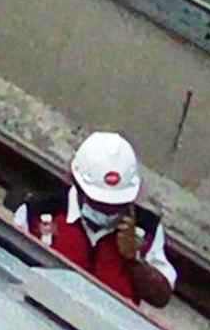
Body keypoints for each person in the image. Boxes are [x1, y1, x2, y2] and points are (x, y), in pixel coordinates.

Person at [21, 132, 182, 310]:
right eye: (98, 203)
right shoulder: (39, 210)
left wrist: (134, 259)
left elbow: (161, 297)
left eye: (116, 204)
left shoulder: (146, 229)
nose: (107, 211)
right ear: (75, 183)